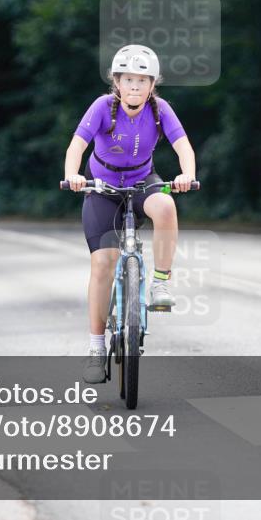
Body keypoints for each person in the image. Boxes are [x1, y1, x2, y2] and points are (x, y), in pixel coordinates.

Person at [63, 44, 197, 383]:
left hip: (141, 182)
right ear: (117, 83)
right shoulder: (102, 108)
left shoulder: (160, 109)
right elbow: (76, 145)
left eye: (142, 80)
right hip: (102, 187)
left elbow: (183, 146)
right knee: (103, 263)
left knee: (166, 205)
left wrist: (186, 175)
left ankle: (161, 284)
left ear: (153, 84)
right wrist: (74, 175)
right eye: (128, 80)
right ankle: (96, 348)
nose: (135, 87)